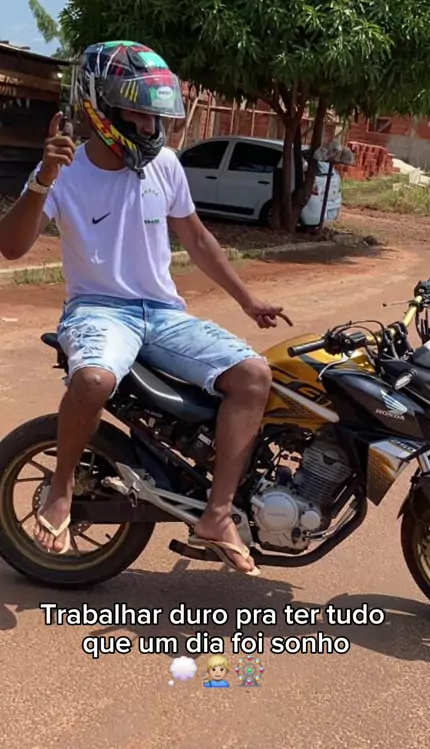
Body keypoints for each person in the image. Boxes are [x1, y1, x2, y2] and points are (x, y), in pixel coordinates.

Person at [0, 41, 290, 576]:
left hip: (162, 314)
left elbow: (197, 239)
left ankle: (217, 515)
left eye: (154, 113)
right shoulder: (65, 170)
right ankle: (60, 489)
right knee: (93, 381)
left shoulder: (166, 165)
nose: (149, 124)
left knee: (254, 375)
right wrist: (42, 180)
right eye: (136, 111)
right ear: (100, 106)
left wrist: (248, 300)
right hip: (98, 309)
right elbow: (12, 248)